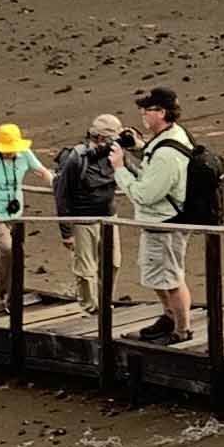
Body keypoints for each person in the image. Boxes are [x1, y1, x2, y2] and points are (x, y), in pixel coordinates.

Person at [119, 88, 203, 343]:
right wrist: (139, 148)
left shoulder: (167, 153)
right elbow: (155, 164)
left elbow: (146, 194)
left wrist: (120, 169)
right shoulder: (172, 136)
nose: (143, 114)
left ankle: (181, 330)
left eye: (148, 109)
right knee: (161, 275)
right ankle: (170, 319)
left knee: (170, 278)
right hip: (165, 221)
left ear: (162, 112)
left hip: (165, 223)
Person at [52, 113, 127, 316]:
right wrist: (66, 232)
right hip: (83, 220)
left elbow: (136, 172)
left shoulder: (115, 154)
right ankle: (90, 308)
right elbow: (62, 195)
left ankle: (105, 302)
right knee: (86, 270)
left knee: (113, 263)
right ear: (100, 138)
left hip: (109, 218)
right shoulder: (76, 158)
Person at [0, 122, 51, 291]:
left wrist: (58, 187)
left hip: (14, 213)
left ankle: (1, 287)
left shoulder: (25, 154)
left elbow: (42, 172)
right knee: (9, 249)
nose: (9, 152)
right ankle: (8, 292)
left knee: (6, 253)